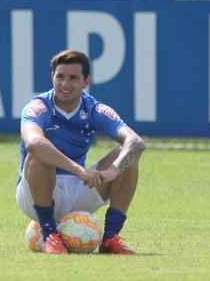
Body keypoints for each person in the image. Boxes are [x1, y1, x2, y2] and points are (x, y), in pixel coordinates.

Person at [17, 49, 146, 255]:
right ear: (52, 77)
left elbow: (135, 142)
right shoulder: (37, 107)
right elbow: (33, 143)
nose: (65, 84)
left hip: (79, 190)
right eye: (60, 77)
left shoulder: (94, 109)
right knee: (40, 153)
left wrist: (111, 172)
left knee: (127, 155)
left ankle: (110, 238)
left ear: (86, 82)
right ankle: (50, 234)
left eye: (73, 78)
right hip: (34, 194)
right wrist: (78, 170)